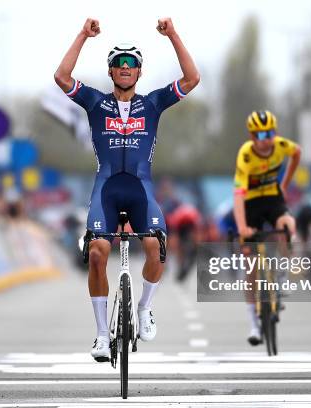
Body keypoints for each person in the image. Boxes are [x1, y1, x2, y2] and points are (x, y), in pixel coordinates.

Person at [54, 17, 200, 362]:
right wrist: (82, 36)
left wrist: (173, 35)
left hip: (140, 190)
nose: (124, 67)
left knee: (154, 246)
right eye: (118, 63)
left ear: (139, 71)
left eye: (131, 63)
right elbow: (61, 78)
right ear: (110, 71)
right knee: (96, 254)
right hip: (105, 189)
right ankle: (102, 335)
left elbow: (192, 79)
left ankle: (145, 308)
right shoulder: (94, 102)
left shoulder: (151, 104)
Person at [232, 110, 301, 346]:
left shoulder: (282, 146)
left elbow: (297, 153)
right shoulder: (246, 155)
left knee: (287, 225)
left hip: (272, 199)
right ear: (252, 136)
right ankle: (253, 323)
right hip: (250, 203)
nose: (265, 139)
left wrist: (285, 184)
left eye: (269, 133)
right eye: (260, 134)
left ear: (276, 133)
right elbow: (238, 194)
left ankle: (282, 276)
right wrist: (242, 227)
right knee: (250, 265)